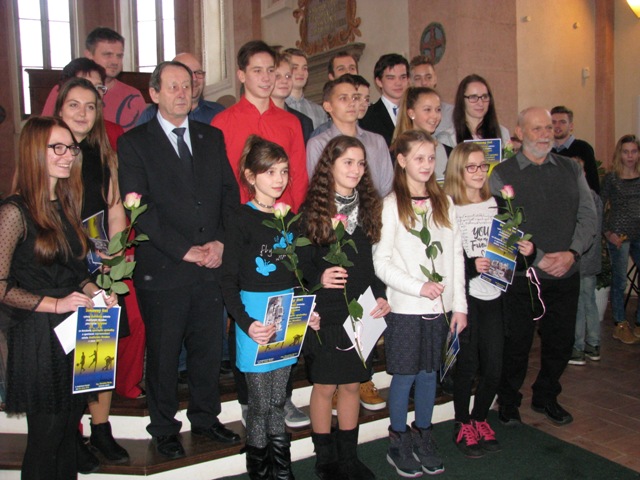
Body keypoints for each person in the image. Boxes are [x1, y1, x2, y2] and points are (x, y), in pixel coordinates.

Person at [118, 60, 241, 459]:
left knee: (207, 350)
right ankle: (164, 428)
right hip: (165, 267)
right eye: (172, 86)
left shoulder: (210, 136)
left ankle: (206, 418)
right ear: (154, 93)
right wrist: (183, 249)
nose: (182, 93)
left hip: (211, 265)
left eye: (186, 85)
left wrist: (221, 242)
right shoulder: (134, 143)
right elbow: (139, 207)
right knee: (165, 354)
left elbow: (229, 194)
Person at [0, 116, 118, 479]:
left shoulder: (64, 204)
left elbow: (74, 271)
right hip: (37, 334)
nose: (69, 155)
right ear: (35, 151)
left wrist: (96, 292)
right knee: (47, 437)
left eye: (72, 148)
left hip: (74, 328)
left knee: (68, 432)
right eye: (58, 147)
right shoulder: (14, 211)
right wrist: (56, 304)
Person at [489, 107, 597, 427]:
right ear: (520, 133)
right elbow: (500, 226)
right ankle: (508, 400)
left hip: (566, 272)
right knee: (517, 344)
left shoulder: (571, 169)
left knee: (560, 344)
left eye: (548, 128)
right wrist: (539, 257)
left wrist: (572, 253)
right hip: (523, 277)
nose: (545, 134)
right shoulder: (502, 173)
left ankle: (546, 395)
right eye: (537, 128)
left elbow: (588, 216)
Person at [221, 136, 320, 479]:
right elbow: (227, 281)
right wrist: (246, 323)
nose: (279, 179)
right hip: (255, 319)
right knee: (260, 403)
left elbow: (300, 275)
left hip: (285, 316)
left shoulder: (290, 219)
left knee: (279, 399)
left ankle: (281, 466)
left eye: (284, 171)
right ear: (250, 176)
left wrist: (307, 311)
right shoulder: (239, 218)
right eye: (270, 172)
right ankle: (259, 467)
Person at [373, 130, 467, 477]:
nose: (427, 165)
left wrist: (460, 306)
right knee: (405, 376)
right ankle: (398, 442)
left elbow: (455, 257)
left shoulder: (445, 203)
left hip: (439, 310)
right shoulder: (390, 205)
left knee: (429, 375)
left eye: (431, 158)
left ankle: (423, 435)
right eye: (419, 158)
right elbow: (381, 263)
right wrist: (418, 286)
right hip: (406, 310)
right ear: (401, 161)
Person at [300, 135, 390, 480]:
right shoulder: (311, 212)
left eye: (361, 163)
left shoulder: (369, 209)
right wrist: (318, 278)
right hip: (325, 311)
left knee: (353, 384)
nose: (355, 169)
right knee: (325, 386)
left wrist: (380, 295)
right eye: (347, 162)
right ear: (330, 166)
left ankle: (349, 458)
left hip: (360, 311)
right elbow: (299, 268)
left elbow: (374, 263)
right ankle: (325, 460)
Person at [55, 77, 130, 466]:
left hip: (99, 264)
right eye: (74, 105)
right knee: (67, 354)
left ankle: (101, 429)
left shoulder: (104, 154)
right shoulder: (48, 151)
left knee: (99, 349)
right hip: (60, 262)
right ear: (60, 109)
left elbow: (115, 209)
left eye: (90, 106)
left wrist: (114, 255)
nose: (83, 113)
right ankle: (72, 434)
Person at [443, 142, 534, 457]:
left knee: (494, 365)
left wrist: (526, 252)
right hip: (466, 298)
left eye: (483, 166)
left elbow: (510, 255)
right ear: (458, 170)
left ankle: (480, 418)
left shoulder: (498, 204)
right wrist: (471, 265)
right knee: (468, 365)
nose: (480, 172)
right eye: (472, 167)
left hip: (495, 295)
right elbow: (444, 259)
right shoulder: (449, 207)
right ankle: (462, 422)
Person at [212, 41, 308, 212]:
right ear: (242, 75)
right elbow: (217, 179)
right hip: (239, 215)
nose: (266, 78)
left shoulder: (290, 122)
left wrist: (296, 217)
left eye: (270, 71)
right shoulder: (222, 123)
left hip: (282, 217)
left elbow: (299, 176)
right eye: (257, 71)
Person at [42, 28, 146, 131]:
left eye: (119, 56)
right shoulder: (63, 90)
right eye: (107, 55)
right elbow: (45, 132)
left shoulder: (133, 95)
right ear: (89, 55)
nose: (115, 61)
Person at [307, 75, 393, 198]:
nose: (352, 103)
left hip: (375, 207)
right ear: (328, 106)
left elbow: (387, 188)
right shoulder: (319, 144)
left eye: (355, 98)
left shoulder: (377, 141)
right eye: (343, 98)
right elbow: (318, 189)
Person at [601, 134, 640, 345]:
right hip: (619, 235)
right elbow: (598, 206)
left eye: (634, 151)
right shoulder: (612, 178)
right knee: (620, 281)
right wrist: (607, 232)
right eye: (626, 152)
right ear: (620, 154)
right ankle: (620, 323)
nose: (630, 156)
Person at [568, 156, 604, 363]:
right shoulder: (594, 197)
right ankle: (594, 343)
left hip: (581, 259)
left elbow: (586, 232)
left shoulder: (583, 198)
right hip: (590, 258)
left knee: (579, 304)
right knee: (589, 302)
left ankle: (578, 347)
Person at [136, 52, 225, 126]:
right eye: (188, 73)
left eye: (198, 73)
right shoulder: (150, 116)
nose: (194, 79)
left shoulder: (219, 112)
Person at [394, 86, 450, 180]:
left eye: (438, 110)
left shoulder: (446, 150)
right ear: (411, 113)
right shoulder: (397, 151)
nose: (434, 116)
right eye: (427, 110)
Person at [440, 74, 509, 148]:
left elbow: (509, 155)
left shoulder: (502, 134)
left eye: (484, 97)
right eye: (473, 97)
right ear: (462, 100)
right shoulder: (447, 138)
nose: (480, 103)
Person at [360, 53, 410, 147]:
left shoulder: (416, 111)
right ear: (379, 81)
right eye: (391, 78)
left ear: (408, 80)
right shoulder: (367, 116)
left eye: (403, 77)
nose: (398, 83)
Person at [551, 106, 599, 193]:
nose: (557, 126)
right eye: (554, 122)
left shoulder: (583, 148)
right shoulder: (545, 150)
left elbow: (593, 182)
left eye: (562, 122)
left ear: (571, 126)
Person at [271, 53, 314, 145]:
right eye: (277, 76)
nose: (284, 81)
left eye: (288, 76)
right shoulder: (254, 116)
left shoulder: (304, 122)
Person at [408, 55, 453, 136]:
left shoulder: (451, 113)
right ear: (410, 82)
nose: (424, 83)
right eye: (418, 78)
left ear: (435, 79)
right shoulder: (403, 113)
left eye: (428, 77)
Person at [284, 48, 327, 129]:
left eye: (304, 68)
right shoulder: (276, 106)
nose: (301, 73)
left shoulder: (319, 111)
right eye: (295, 68)